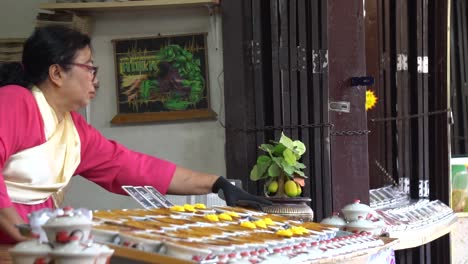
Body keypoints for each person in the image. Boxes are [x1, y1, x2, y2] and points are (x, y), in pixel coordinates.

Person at [0, 25, 270, 244]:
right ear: (57, 73)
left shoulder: (75, 131)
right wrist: (16, 228)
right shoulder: (15, 102)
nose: (95, 79)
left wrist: (216, 183)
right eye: (89, 68)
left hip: (36, 239)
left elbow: (131, 167)